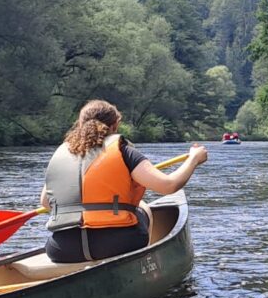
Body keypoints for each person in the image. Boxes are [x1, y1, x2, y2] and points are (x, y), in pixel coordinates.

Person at [42, 100, 206, 263]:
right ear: (115, 126)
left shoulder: (62, 155)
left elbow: (46, 202)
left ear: (80, 124)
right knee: (143, 207)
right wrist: (193, 159)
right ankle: (145, 264)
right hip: (117, 243)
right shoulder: (123, 151)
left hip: (62, 249)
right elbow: (169, 185)